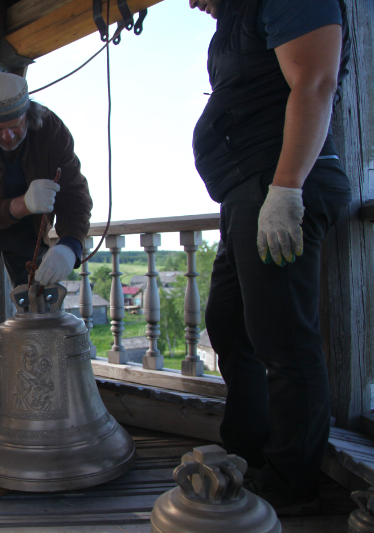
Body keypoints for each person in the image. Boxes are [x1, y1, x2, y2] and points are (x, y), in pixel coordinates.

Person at [189, 0, 351, 517]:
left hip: (278, 188)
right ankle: (246, 453)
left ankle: (290, 484)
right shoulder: (240, 15)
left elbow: (316, 81)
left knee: (282, 340)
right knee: (230, 325)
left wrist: (285, 190)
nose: (192, 2)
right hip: (246, 192)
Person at [0, 72, 93, 433]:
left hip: (28, 234)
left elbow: (74, 192)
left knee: (39, 312)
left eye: (16, 125)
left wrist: (70, 246)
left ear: (29, 113)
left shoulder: (52, 131)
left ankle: (45, 398)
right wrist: (22, 204)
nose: (9, 135)